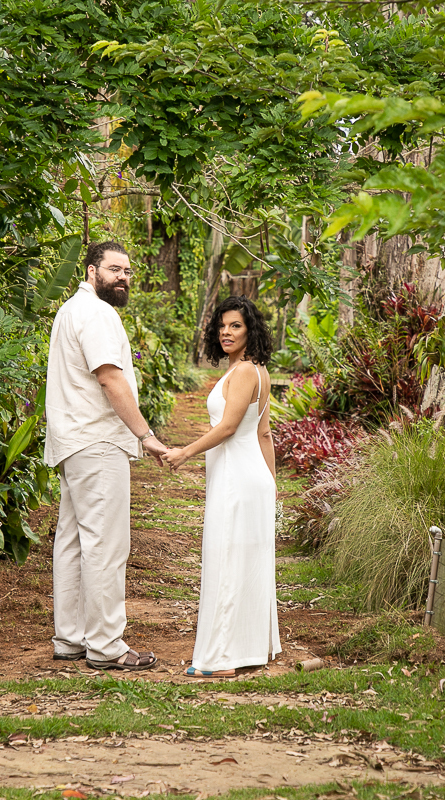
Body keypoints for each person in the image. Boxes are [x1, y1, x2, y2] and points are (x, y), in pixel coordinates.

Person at [43, 240, 168, 671]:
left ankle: (71, 639)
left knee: (74, 544)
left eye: (128, 271)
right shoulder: (96, 313)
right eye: (114, 269)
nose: (123, 278)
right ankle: (106, 646)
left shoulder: (69, 310)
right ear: (92, 271)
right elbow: (110, 380)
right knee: (106, 546)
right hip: (97, 443)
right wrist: (146, 435)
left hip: (74, 443)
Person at [164, 295, 281, 677]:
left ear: (251, 332)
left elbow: (229, 428)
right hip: (251, 478)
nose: (226, 332)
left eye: (236, 326)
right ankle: (246, 649)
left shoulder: (245, 372)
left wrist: (185, 452)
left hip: (236, 479)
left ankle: (224, 659)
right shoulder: (256, 371)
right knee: (242, 562)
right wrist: (271, 484)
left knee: (228, 561)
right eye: (222, 326)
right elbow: (264, 434)